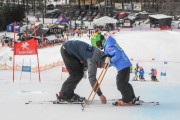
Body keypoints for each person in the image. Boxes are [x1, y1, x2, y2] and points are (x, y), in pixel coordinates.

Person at [91, 33, 138, 106]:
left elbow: (118, 53)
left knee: (120, 84)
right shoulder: (109, 43)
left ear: (98, 43)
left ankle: (127, 99)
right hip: (124, 65)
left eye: (97, 45)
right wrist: (109, 60)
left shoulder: (108, 46)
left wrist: (110, 60)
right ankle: (131, 97)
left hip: (123, 65)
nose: (98, 47)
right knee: (124, 83)